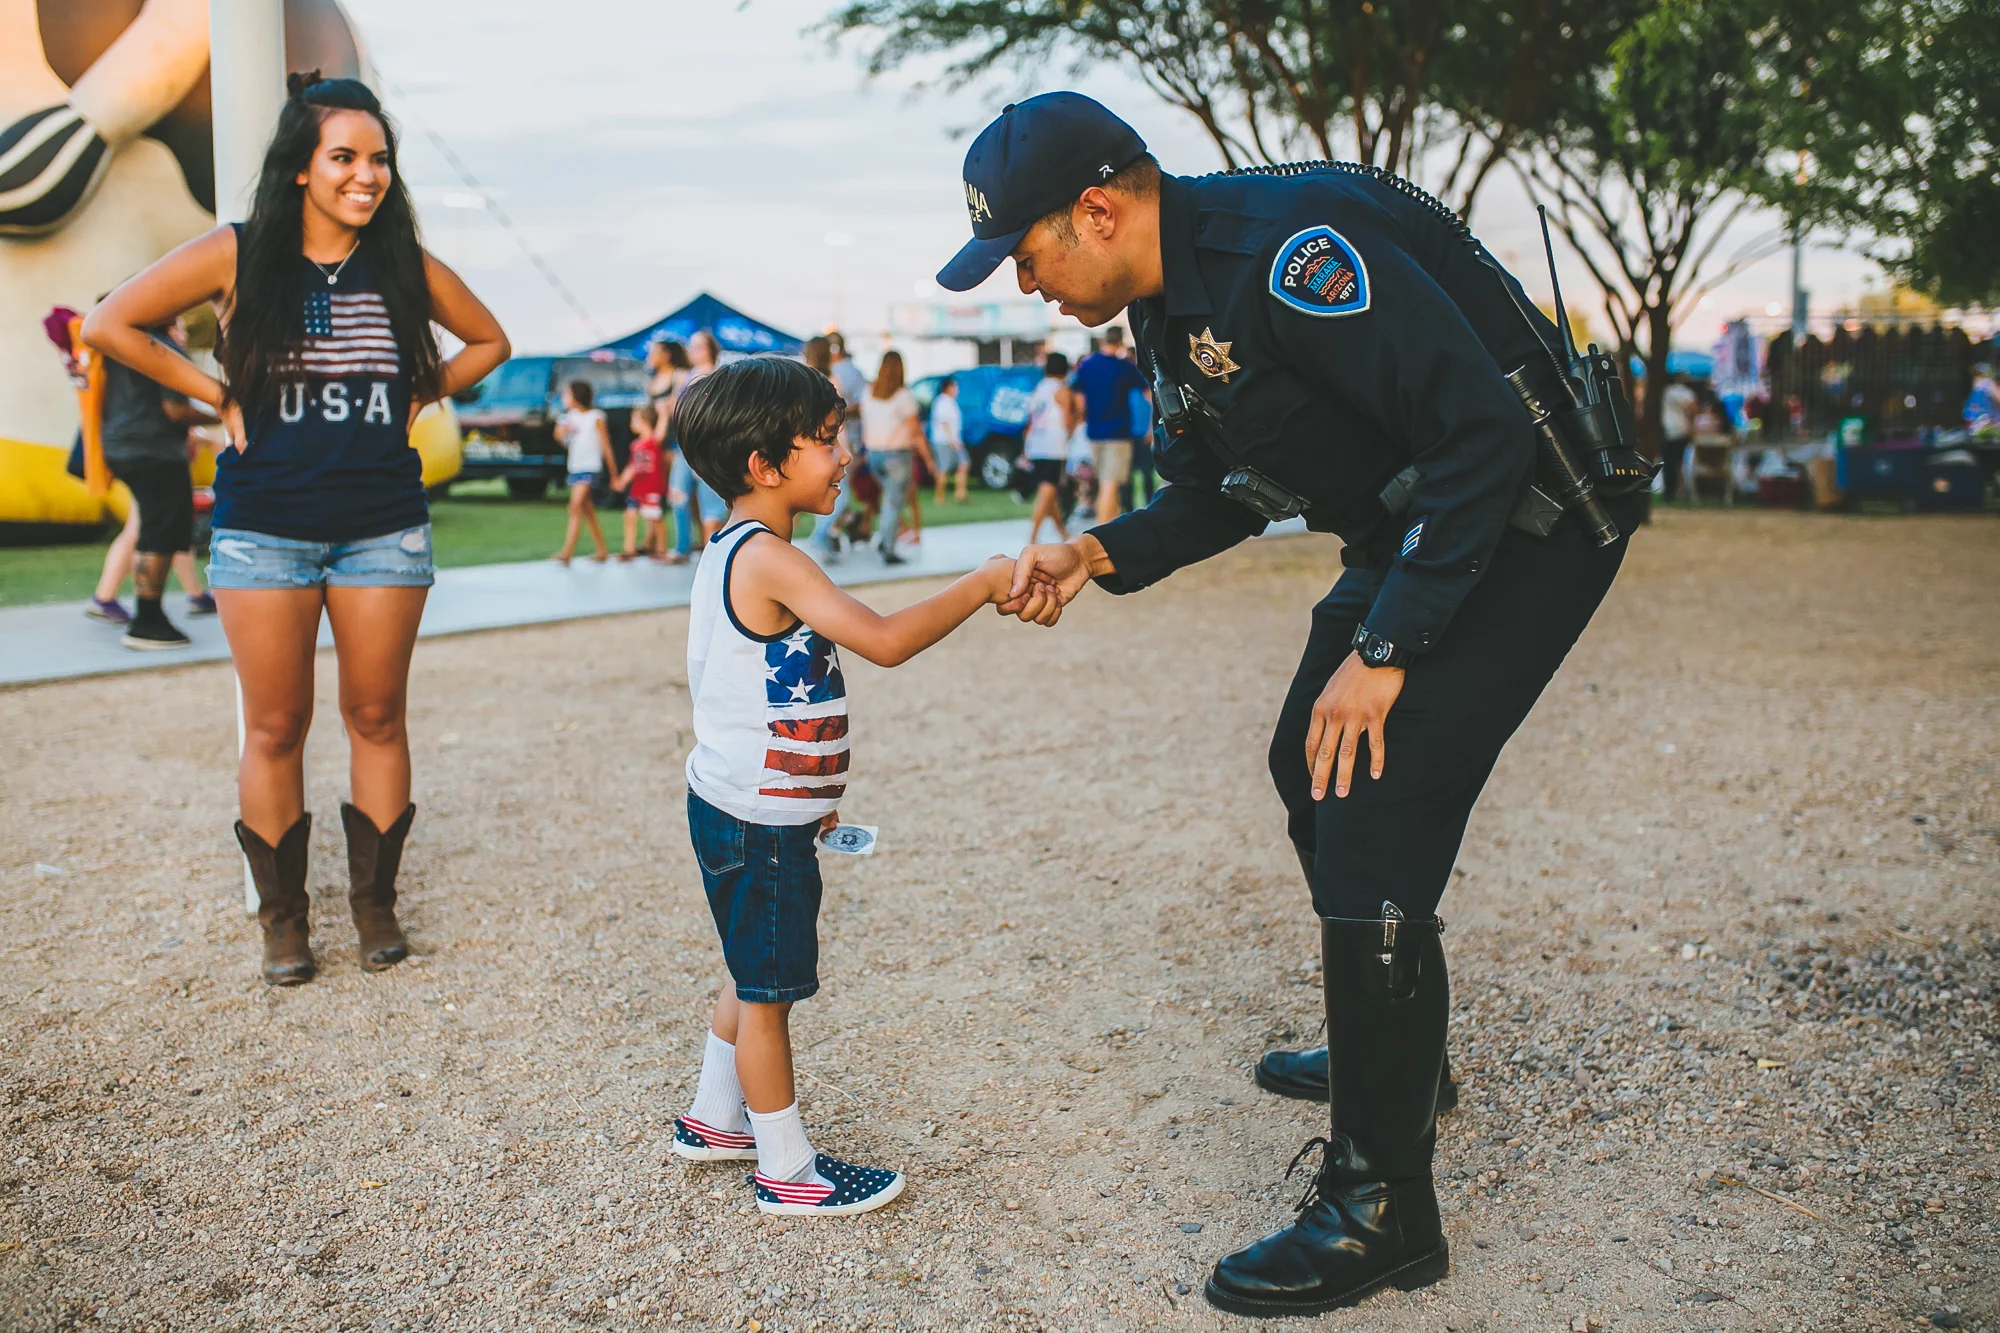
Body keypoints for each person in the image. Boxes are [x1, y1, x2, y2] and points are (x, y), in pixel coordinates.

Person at [937, 92, 1649, 1317]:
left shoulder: (1288, 253)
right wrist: (1095, 553)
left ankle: (1382, 1208)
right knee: (1305, 763)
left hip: (1526, 521)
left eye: (1027, 252)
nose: (1025, 284)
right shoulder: (1170, 307)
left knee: (1366, 797)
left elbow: (1482, 432)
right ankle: (1395, 1063)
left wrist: (1386, 646)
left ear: (1095, 209)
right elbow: (1225, 489)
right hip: (1415, 523)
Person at [82, 73, 509, 986]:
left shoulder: (402, 263)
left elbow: (489, 342)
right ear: (299, 170)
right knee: (276, 724)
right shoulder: (236, 255)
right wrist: (215, 393)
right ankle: (284, 921)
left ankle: (376, 908)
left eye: (379, 158)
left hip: (381, 525)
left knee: (376, 716)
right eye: (345, 157)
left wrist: (414, 392)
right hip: (263, 525)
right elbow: (110, 320)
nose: (367, 175)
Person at [666, 355, 1025, 1214]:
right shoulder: (771, 559)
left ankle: (715, 1118)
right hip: (758, 819)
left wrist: (813, 796)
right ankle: (786, 1171)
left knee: (746, 963)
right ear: (764, 465)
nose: (848, 453)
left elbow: (755, 699)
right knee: (767, 994)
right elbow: (885, 639)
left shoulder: (731, 549)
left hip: (741, 805)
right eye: (827, 440)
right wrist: (979, 583)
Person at [94, 314, 216, 648]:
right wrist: (224, 409)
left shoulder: (119, 348)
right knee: (158, 532)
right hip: (155, 451)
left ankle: (144, 611)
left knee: (151, 528)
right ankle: (147, 620)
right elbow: (175, 409)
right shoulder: (161, 348)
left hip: (122, 446)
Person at [1069, 325, 1148, 521]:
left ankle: (1105, 525)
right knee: (1109, 484)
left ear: (1104, 340)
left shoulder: (1087, 365)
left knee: (1103, 483)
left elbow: (1079, 400)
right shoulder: (1125, 367)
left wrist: (1086, 416)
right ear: (1121, 342)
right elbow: (1148, 394)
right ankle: (1102, 530)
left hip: (1094, 432)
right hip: (1118, 433)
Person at [859, 349, 926, 564]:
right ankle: (887, 547)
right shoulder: (903, 396)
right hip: (896, 454)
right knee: (892, 502)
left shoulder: (868, 392)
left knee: (888, 499)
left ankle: (885, 539)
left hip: (873, 453)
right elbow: (916, 431)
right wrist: (930, 459)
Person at [811, 330, 869, 561]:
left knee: (831, 492)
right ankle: (822, 535)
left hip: (825, 443)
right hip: (835, 442)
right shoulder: (831, 379)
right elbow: (839, 419)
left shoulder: (813, 378)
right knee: (838, 494)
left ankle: (829, 535)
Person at [550, 379, 616, 564]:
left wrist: (613, 473)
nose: (564, 398)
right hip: (575, 467)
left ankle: (567, 552)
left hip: (590, 466)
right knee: (587, 509)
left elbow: (606, 445)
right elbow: (558, 437)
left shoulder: (596, 416)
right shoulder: (567, 417)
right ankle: (602, 550)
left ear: (576, 396)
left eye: (566, 394)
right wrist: (562, 430)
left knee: (575, 505)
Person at [1021, 351, 1077, 545]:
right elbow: (1068, 420)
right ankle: (1033, 535)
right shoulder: (1062, 390)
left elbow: (1029, 420)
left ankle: (1063, 533)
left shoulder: (1039, 389)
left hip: (1035, 444)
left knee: (1049, 494)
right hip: (1054, 446)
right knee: (1047, 490)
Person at [618, 402, 667, 561]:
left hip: (651, 487)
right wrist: (623, 480)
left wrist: (664, 414)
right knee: (630, 514)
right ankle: (629, 548)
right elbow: (633, 466)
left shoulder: (653, 441)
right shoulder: (636, 445)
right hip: (638, 487)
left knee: (654, 517)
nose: (632, 424)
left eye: (634, 420)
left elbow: (660, 432)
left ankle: (661, 548)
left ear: (644, 422)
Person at [929, 374, 969, 503]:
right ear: (948, 388)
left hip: (955, 440)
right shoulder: (942, 402)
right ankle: (939, 496)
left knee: (964, 463)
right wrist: (952, 439)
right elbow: (944, 422)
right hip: (944, 441)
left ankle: (960, 494)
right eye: (955, 387)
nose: (957, 390)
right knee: (943, 468)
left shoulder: (951, 402)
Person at [1660, 373, 1698, 501]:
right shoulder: (1686, 392)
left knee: (1667, 463)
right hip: (1681, 430)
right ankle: (1678, 492)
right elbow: (1693, 409)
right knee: (1679, 463)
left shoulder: (1664, 391)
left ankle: (1669, 492)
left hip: (1666, 430)